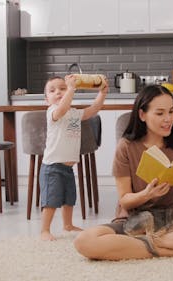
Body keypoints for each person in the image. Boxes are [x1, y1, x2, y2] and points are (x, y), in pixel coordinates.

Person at [73, 85, 173, 260]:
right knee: (84, 241)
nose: (168, 119)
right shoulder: (126, 147)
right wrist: (146, 194)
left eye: (171, 111)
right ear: (142, 115)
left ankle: (149, 246)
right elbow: (125, 201)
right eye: (160, 113)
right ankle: (167, 248)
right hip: (134, 222)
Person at [40, 75, 108, 241]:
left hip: (68, 167)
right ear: (46, 100)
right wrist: (70, 89)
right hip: (52, 167)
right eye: (52, 90)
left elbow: (93, 110)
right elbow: (62, 109)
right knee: (51, 200)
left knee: (69, 198)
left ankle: (68, 225)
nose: (58, 92)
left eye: (62, 88)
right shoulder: (53, 112)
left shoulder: (74, 113)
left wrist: (102, 93)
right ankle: (44, 230)